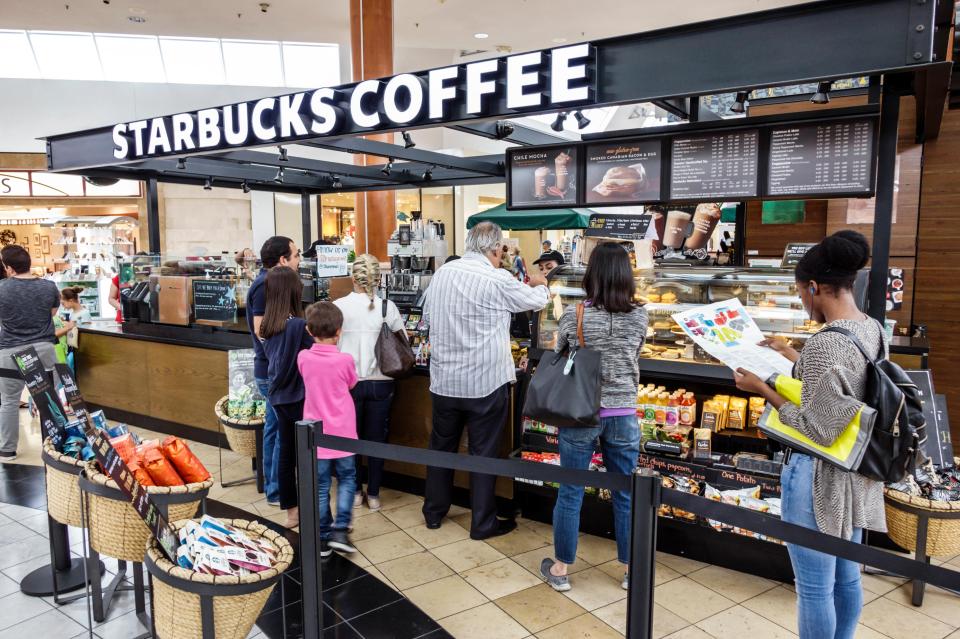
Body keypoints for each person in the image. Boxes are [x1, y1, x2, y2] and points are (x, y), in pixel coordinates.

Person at [733, 230, 885, 639]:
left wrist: (762, 389)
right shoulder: (870, 328)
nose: (802, 300)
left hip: (819, 478)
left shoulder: (825, 344)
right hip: (856, 471)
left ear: (815, 287)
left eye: (800, 292)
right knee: (846, 577)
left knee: (815, 588)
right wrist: (789, 352)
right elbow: (840, 389)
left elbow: (817, 428)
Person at [422, 221, 550, 539]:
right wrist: (541, 283)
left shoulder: (442, 274)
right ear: (495, 248)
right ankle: (482, 523)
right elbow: (537, 301)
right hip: (484, 383)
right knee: (483, 454)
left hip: (444, 382)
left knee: (441, 448)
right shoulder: (496, 278)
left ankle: (433, 512)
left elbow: (426, 318)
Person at [538, 242, 648, 592]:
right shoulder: (640, 315)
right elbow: (636, 352)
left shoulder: (575, 314)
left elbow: (558, 351)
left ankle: (560, 569)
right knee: (626, 494)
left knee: (571, 490)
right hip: (624, 413)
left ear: (592, 275)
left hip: (581, 412)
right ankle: (631, 570)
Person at [334, 254, 404, 512]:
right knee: (376, 440)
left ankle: (354, 492)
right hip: (381, 382)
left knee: (350, 439)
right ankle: (373, 494)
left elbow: (332, 345)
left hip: (349, 384)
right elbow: (403, 342)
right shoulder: (387, 307)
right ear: (377, 279)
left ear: (353, 278)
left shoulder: (339, 307)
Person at [299, 302, 359, 556]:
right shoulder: (345, 360)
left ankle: (323, 536)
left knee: (321, 486)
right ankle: (340, 530)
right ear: (339, 331)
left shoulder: (303, 357)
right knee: (347, 479)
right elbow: (352, 383)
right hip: (344, 432)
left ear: (308, 330)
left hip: (316, 434)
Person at [247, 237, 301, 507]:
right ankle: (277, 490)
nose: (299, 260)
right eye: (296, 255)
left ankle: (272, 485)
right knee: (281, 431)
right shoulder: (264, 286)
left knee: (273, 428)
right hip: (272, 372)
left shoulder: (267, 283)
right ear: (282, 259)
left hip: (271, 370)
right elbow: (262, 331)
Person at [260, 266, 313, 528]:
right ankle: (310, 505)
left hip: (279, 396)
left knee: (285, 454)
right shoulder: (299, 326)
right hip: (300, 398)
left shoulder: (267, 326)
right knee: (305, 455)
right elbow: (314, 358)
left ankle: (291, 512)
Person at [0, 245, 62, 462]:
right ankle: (57, 447)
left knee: (9, 400)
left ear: (9, 268)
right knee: (49, 399)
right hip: (44, 348)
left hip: (10, 350)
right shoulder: (49, 287)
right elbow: (51, 313)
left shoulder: (1, 288)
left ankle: (7, 450)